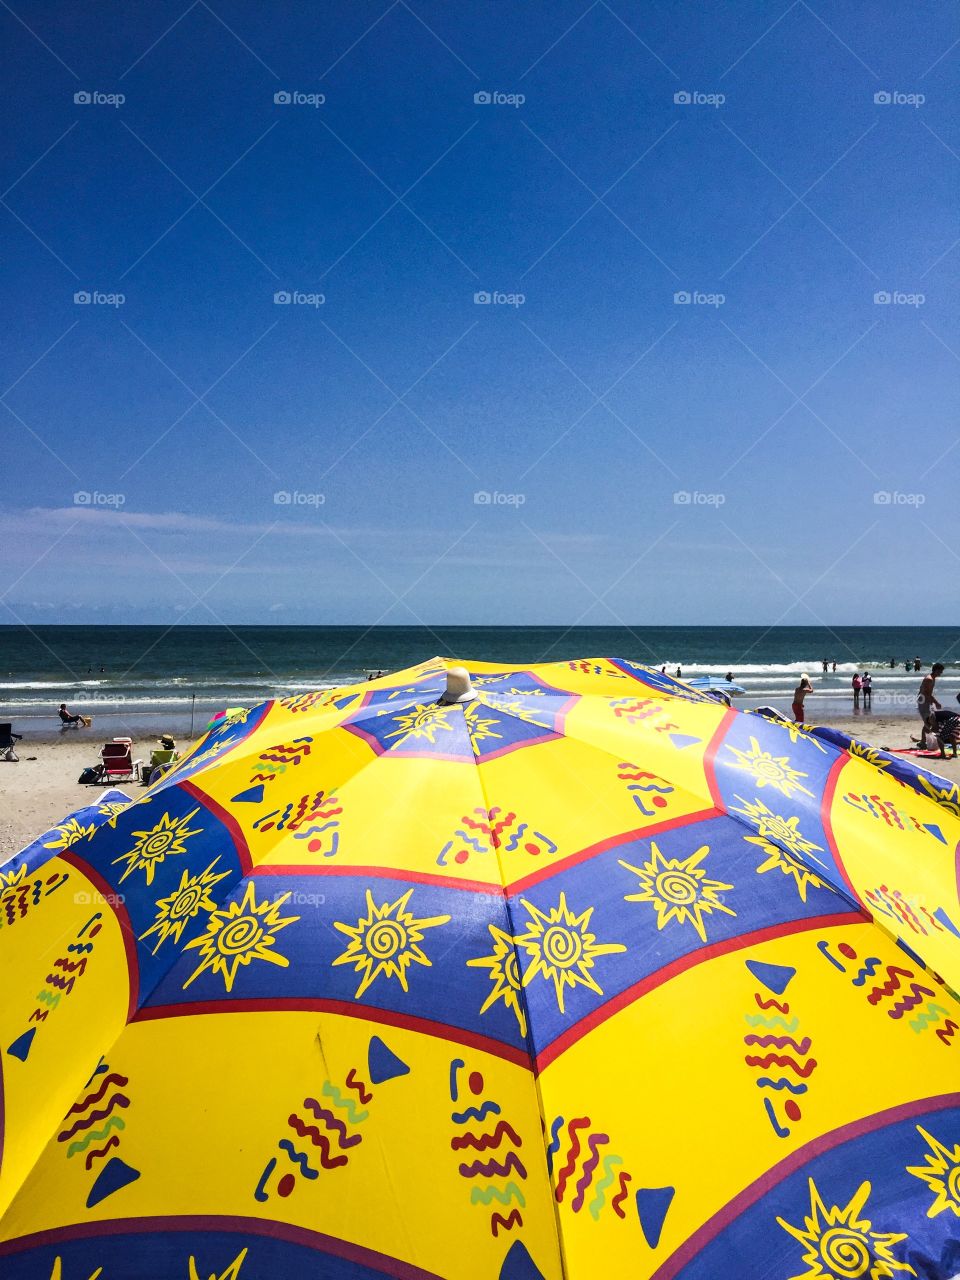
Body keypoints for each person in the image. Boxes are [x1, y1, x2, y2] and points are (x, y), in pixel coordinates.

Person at [917, 663, 944, 731]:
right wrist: (936, 703)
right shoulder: (929, 679)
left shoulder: (932, 678)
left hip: (926, 700)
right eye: (940, 671)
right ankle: (925, 740)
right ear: (935, 670)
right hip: (923, 701)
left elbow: (922, 690)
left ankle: (924, 740)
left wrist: (931, 701)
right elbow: (927, 693)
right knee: (930, 721)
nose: (941, 673)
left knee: (929, 721)